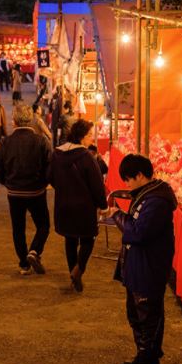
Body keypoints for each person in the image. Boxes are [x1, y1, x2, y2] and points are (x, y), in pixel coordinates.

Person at [107, 153, 177, 364]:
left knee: (148, 319)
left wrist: (117, 215)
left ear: (139, 176)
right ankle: (144, 357)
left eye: (128, 179)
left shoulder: (156, 201)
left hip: (149, 268)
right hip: (137, 266)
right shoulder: (147, 195)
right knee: (136, 315)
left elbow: (138, 232)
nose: (125, 185)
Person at [48, 120, 107, 293]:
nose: (91, 138)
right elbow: (97, 184)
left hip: (63, 204)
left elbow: (49, 176)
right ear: (81, 137)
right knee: (88, 239)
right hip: (84, 206)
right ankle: (78, 270)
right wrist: (103, 206)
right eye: (89, 135)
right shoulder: (86, 157)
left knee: (70, 239)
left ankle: (73, 274)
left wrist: (64, 188)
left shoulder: (57, 154)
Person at [0, 104, 52, 275]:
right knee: (43, 225)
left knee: (18, 228)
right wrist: (44, 182)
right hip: (36, 191)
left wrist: (6, 182)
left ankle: (24, 264)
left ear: (14, 121)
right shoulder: (41, 141)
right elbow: (50, 165)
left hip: (15, 193)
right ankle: (34, 251)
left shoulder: (5, 142)